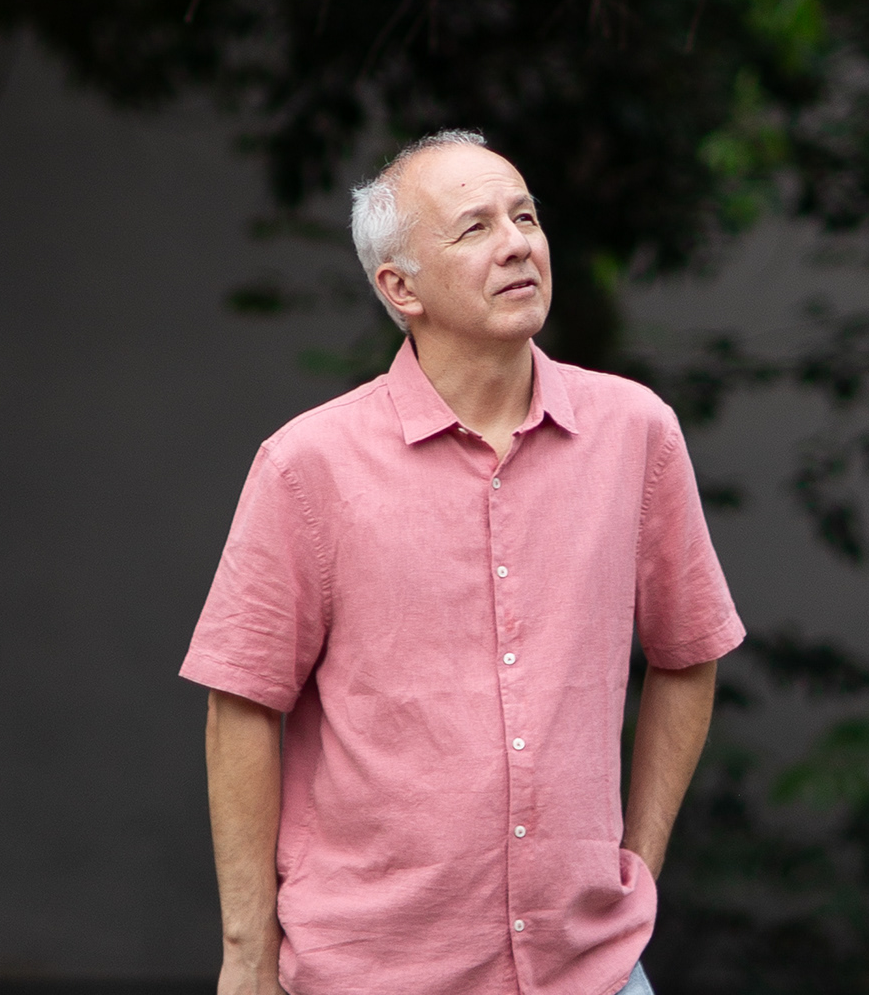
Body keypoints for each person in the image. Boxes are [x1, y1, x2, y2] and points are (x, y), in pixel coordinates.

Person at [180, 128, 745, 995]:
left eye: (525, 217)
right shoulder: (309, 466)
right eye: (474, 228)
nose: (516, 243)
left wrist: (638, 862)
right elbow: (241, 707)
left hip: (591, 971)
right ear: (399, 288)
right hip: (373, 973)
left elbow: (689, 651)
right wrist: (248, 957)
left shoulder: (636, 433)